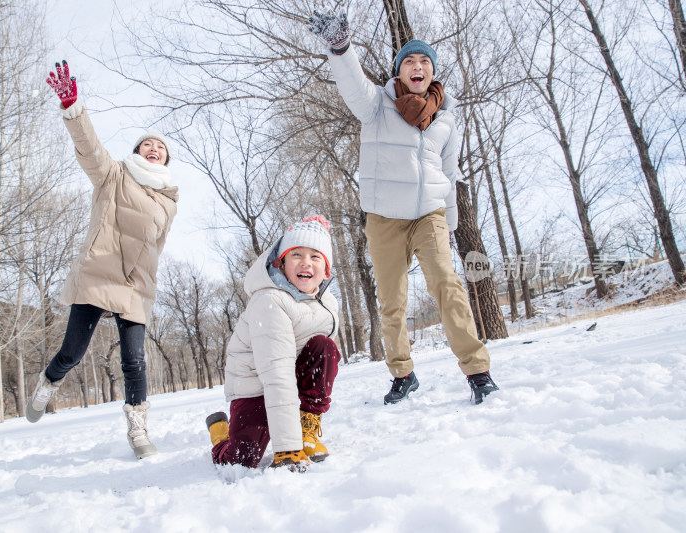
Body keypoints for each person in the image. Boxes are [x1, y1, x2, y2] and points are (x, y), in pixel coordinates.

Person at [308, 12, 499, 405]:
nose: (418, 66)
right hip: (384, 219)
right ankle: (403, 374)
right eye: (410, 61)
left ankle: (478, 372)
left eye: (425, 62)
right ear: (399, 71)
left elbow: (449, 171)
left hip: (429, 214)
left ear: (432, 73)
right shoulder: (378, 105)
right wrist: (341, 49)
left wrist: (449, 221)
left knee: (447, 286)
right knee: (391, 300)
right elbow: (353, 85)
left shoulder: (446, 118)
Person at [25, 60, 179, 459]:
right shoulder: (113, 175)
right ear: (137, 151)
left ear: (166, 160)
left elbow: (156, 247)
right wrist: (73, 109)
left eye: (161, 147)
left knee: (134, 361)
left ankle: (139, 430)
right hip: (99, 271)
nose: (154, 148)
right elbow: (90, 149)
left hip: (136, 284)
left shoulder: (168, 199)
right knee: (73, 353)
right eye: (148, 144)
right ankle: (49, 380)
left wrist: (144, 282)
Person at [206, 215, 341, 471]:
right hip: (255, 384)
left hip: (290, 379)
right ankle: (221, 434)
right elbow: (277, 374)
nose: (305, 263)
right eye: (296, 254)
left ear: (326, 270)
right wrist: (287, 450)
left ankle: (306, 432)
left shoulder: (329, 304)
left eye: (315, 257)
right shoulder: (270, 301)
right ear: (281, 263)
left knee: (325, 348)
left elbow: (320, 369)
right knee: (241, 461)